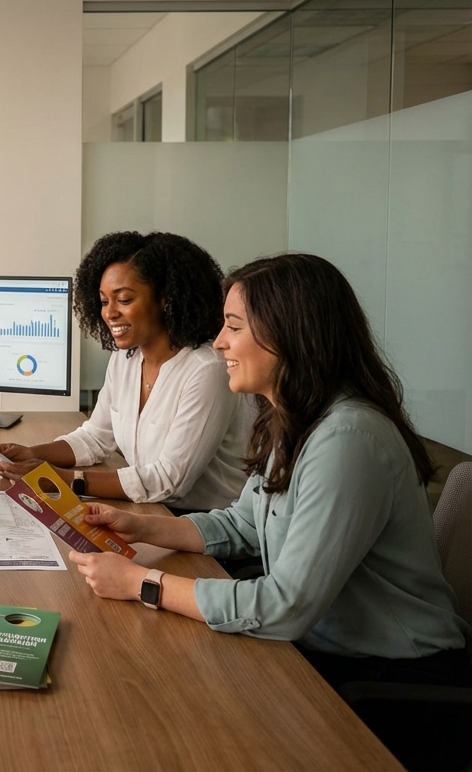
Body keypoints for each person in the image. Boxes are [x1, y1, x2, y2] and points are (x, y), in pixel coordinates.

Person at [67, 253, 470, 770]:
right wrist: (141, 525)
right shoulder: (297, 419)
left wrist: (144, 583)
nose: (218, 343)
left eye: (233, 327)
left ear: (289, 335)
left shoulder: (347, 439)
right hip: (318, 647)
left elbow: (284, 607)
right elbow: (241, 524)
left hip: (387, 680)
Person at [0, 231, 247, 512]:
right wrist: (31, 454)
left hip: (206, 528)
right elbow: (96, 437)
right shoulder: (126, 357)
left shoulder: (208, 369)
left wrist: (61, 479)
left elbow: (169, 480)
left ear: (166, 299)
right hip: (151, 510)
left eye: (123, 300)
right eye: (103, 301)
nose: (110, 313)